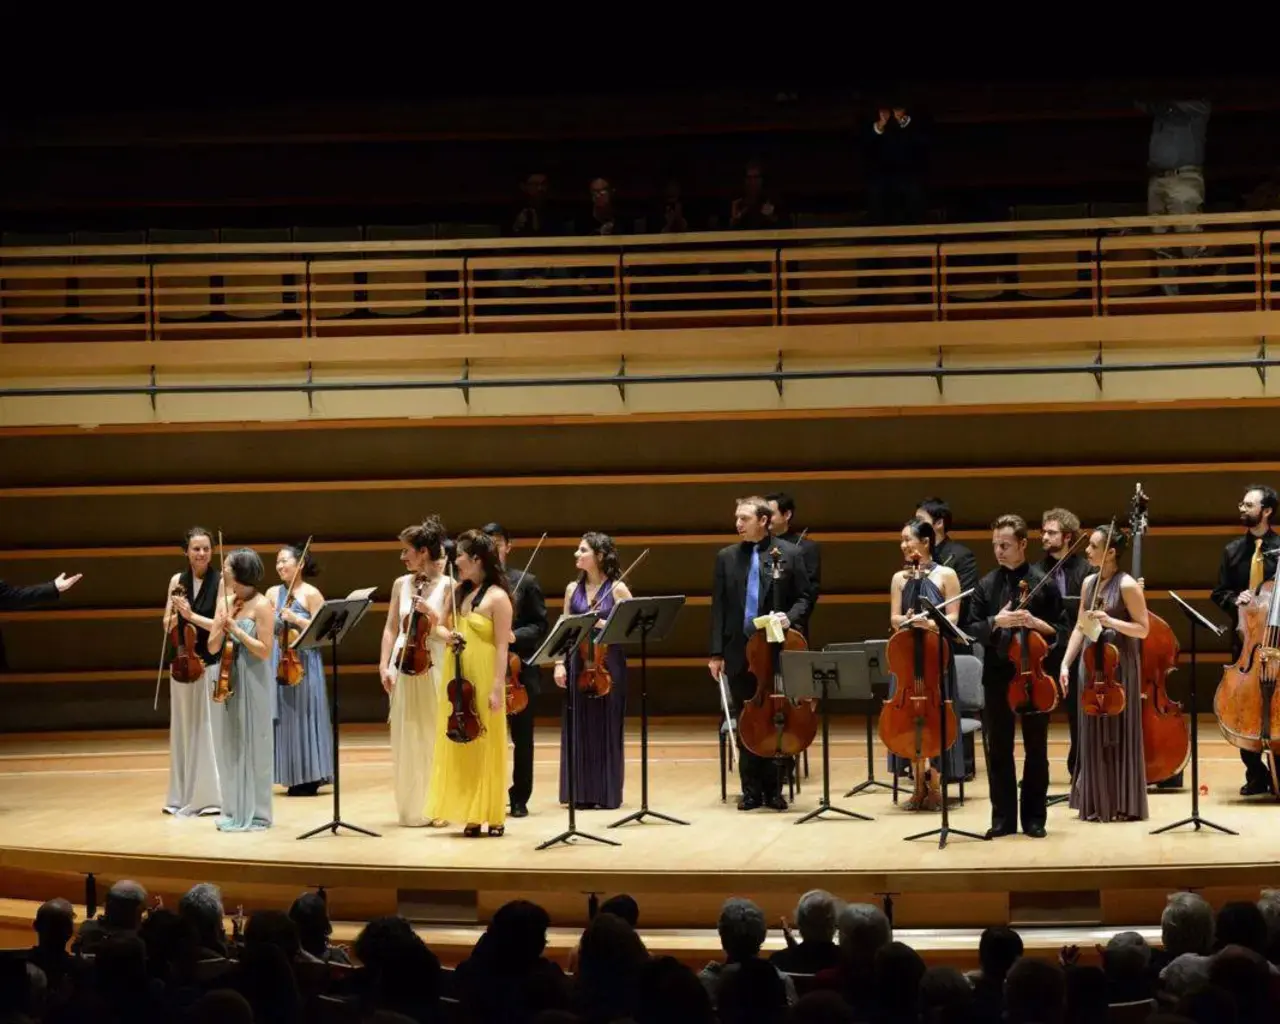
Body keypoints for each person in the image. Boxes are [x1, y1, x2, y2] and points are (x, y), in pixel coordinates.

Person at [708, 496, 813, 811]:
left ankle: (775, 789)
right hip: (740, 651)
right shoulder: (726, 557)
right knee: (748, 719)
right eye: (737, 518)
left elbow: (806, 597)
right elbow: (719, 609)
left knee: (778, 718)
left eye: (744, 518)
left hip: (777, 650)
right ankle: (751, 790)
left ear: (765, 521)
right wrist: (716, 653)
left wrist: (789, 617)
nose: (738, 524)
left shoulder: (790, 553)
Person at [966, 514, 1063, 839]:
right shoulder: (986, 585)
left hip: (1034, 677)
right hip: (997, 677)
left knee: (1037, 749)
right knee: (999, 750)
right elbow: (969, 629)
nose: (999, 551)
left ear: (1023, 544)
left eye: (1005, 545)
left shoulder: (1044, 582)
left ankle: (1035, 818)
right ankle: (1003, 820)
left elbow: (1061, 629)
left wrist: (1035, 623)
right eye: (995, 545)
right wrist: (997, 621)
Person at [1060, 525, 1150, 823]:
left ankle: (1122, 803)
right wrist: (1066, 663)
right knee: (1092, 732)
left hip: (1119, 667)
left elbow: (1143, 628)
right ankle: (1097, 802)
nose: (1086, 551)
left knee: (1118, 733)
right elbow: (1080, 626)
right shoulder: (1088, 583)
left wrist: (1111, 620)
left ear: (1110, 552)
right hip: (1091, 664)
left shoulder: (1127, 586)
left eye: (1093, 546)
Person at [427, 529, 513, 837]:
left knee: (487, 741)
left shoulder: (498, 597)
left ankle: (492, 814)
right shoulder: (458, 592)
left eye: (460, 556)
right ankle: (472, 814)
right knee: (465, 741)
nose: (456, 561)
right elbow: (436, 627)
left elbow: (503, 645)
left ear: (477, 559)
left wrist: (496, 688)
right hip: (459, 672)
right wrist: (448, 635)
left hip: (485, 672)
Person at [886, 518, 965, 809]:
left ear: (926, 542)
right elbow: (894, 619)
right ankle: (917, 782)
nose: (904, 545)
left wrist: (930, 622)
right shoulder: (899, 578)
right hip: (907, 660)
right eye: (902, 540)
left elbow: (954, 617)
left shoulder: (947, 574)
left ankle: (935, 783)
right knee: (909, 718)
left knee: (936, 717)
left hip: (936, 656)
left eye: (909, 539)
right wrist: (907, 620)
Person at [377, 518, 451, 827]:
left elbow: (449, 630)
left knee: (434, 734)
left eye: (406, 551)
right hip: (404, 664)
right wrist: (383, 664)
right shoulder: (400, 584)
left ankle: (438, 806)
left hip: (434, 662)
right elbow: (392, 627)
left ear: (423, 552)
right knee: (408, 735)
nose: (402, 557)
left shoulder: (450, 586)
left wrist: (431, 615)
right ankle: (412, 807)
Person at [553, 532, 632, 810]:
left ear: (599, 556)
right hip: (577, 663)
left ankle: (606, 793)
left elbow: (629, 630)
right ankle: (581, 793)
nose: (576, 554)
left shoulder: (618, 589)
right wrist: (559, 663)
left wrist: (600, 625)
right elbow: (564, 629)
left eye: (582, 550)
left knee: (607, 726)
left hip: (609, 664)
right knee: (579, 727)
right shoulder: (570, 589)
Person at [1211, 485, 1280, 796]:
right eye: (1242, 503)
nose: (1242, 508)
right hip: (1246, 640)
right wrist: (1235, 600)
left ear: (1266, 511)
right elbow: (1219, 592)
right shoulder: (1233, 550)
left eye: (1248, 504)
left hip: (1277, 639)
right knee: (1243, 701)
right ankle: (1255, 773)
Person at [206, 547, 276, 832]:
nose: (222, 571)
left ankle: (257, 812)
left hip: (254, 681)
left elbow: (264, 651)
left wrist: (237, 630)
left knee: (255, 744)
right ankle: (234, 807)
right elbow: (211, 647)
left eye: (226, 567)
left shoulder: (262, 605)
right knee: (231, 744)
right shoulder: (227, 601)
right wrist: (222, 627)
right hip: (230, 678)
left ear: (240, 572)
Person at [483, 523, 549, 819]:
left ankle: (519, 796)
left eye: (498, 542)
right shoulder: (475, 586)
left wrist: (514, 636)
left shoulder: (527, 581)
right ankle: (486, 793)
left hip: (518, 671)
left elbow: (540, 626)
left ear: (508, 546)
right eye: (487, 542)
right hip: (483, 668)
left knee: (522, 739)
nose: (494, 547)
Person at [163, 527, 223, 817]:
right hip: (181, 665)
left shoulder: (221, 580)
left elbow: (220, 625)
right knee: (183, 730)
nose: (201, 554)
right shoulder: (177, 580)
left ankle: (209, 797)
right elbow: (165, 622)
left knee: (206, 732)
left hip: (208, 664)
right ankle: (181, 795)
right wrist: (174, 619)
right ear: (186, 551)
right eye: (196, 549)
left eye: (206, 548)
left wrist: (190, 616)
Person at [267, 544, 332, 798]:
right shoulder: (273, 592)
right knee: (285, 716)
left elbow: (324, 631)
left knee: (305, 714)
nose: (280, 566)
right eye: (277, 562)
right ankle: (291, 774)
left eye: (285, 561)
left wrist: (296, 619)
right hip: (280, 658)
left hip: (305, 661)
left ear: (300, 564)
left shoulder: (311, 593)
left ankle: (311, 775)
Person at [1038, 508, 1090, 782]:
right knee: (1039, 713)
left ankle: (1078, 769)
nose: (1044, 537)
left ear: (1068, 537)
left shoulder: (1086, 570)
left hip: (1076, 649)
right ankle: (1038, 773)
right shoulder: (1036, 571)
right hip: (1044, 650)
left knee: (1076, 714)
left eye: (1051, 533)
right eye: (1044, 532)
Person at [765, 491, 821, 637]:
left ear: (787, 515)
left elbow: (810, 593)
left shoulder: (806, 548)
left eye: (771, 513)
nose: (766, 518)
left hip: (792, 626)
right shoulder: (758, 545)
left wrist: (790, 617)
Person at [916, 497, 977, 618]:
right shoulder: (917, 555)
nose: (915, 526)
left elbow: (964, 600)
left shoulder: (962, 556)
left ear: (939, 523)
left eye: (920, 521)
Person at [770, 890, 843, 975]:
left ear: (799, 924)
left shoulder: (778, 962)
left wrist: (794, 951)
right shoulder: (848, 962)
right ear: (834, 925)